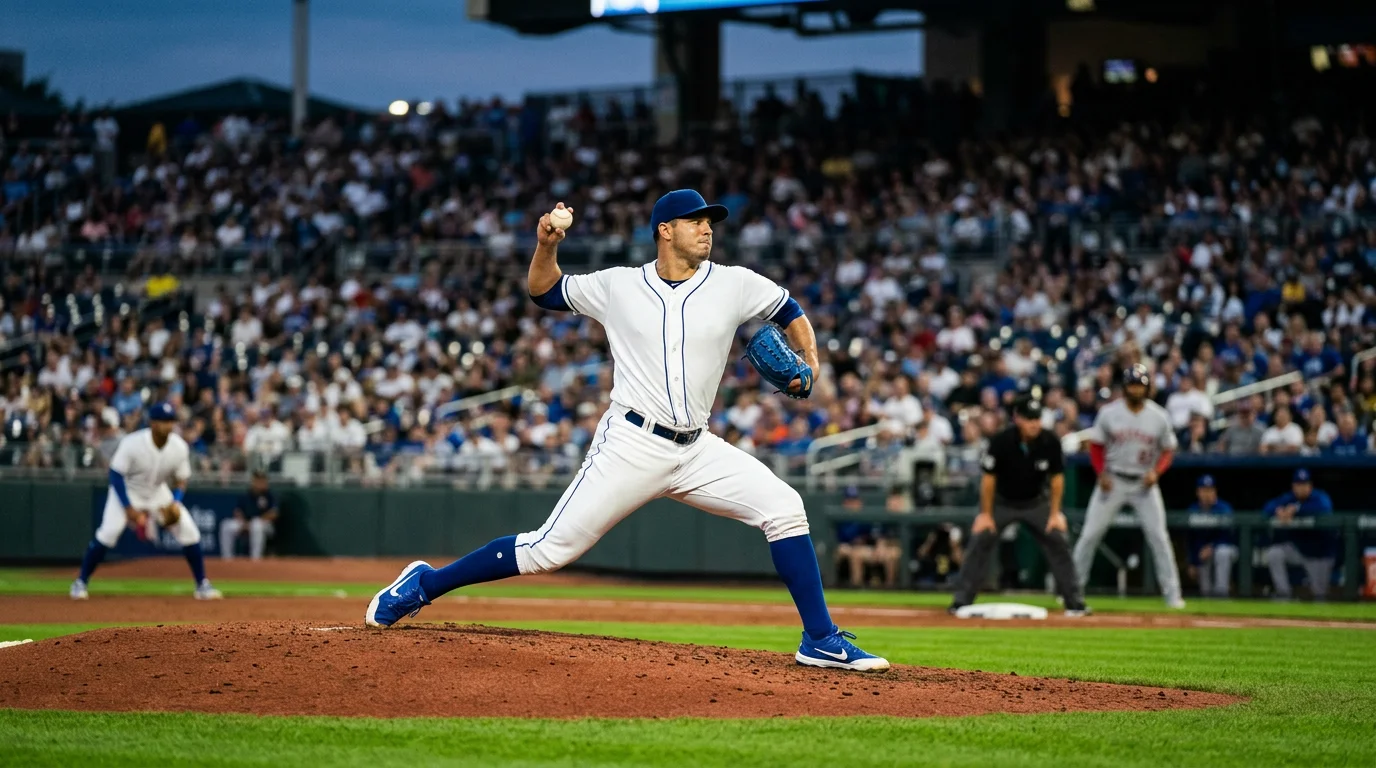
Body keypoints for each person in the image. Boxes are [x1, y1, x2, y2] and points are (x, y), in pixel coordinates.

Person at [366, 190, 888, 672]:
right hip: (632, 443)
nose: (707, 229)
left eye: (711, 222)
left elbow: (788, 308)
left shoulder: (734, 282)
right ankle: (424, 584)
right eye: (696, 221)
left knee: (785, 508)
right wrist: (547, 245)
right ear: (665, 230)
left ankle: (819, 638)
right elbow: (543, 291)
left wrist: (812, 358)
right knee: (548, 551)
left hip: (698, 447)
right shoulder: (618, 285)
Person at [949, 397, 1089, 616]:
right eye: (1029, 419)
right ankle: (961, 602)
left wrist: (1055, 513)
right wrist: (985, 514)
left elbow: (1057, 479)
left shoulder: (1050, 441)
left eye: (1037, 418)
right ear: (1018, 419)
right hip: (1002, 502)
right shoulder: (1002, 441)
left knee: (1058, 540)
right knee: (980, 540)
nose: (1034, 423)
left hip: (1036, 502)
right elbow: (988, 480)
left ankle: (1075, 603)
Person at [70, 403, 221, 600]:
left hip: (158, 492)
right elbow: (116, 475)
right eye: (164, 422)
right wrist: (127, 507)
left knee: (189, 531)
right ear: (153, 423)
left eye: (170, 421)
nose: (168, 426)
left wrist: (175, 502)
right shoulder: (132, 443)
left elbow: (181, 479)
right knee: (108, 533)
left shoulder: (179, 447)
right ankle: (80, 582)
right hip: (127, 490)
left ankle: (202, 585)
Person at [1074, 364, 1186, 608]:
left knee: (1159, 538)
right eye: (1132, 384)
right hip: (1113, 480)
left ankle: (1173, 596)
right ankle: (1072, 591)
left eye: (1140, 384)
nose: (1136, 389)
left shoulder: (1158, 416)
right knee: (1090, 534)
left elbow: (1168, 449)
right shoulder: (1109, 413)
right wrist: (1100, 472)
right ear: (1124, 387)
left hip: (1143, 483)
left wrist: (1157, 472)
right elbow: (1096, 446)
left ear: (1147, 387)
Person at [1263, 469, 1338, 601]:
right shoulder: (1289, 498)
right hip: (1298, 550)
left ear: (1310, 486)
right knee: (1274, 553)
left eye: (1304, 484)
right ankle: (1283, 593)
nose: (1301, 488)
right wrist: (1278, 510)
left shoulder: (1320, 497)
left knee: (1320, 595)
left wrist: (1296, 511)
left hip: (1320, 554)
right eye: (1298, 484)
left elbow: (1324, 509)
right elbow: (1267, 508)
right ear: (1293, 486)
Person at [832, 485, 902, 588]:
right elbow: (834, 542)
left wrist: (879, 546)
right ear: (844, 502)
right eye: (849, 501)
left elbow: (875, 537)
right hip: (849, 549)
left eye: (854, 500)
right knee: (854, 553)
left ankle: (890, 587)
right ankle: (856, 587)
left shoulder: (865, 519)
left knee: (889, 554)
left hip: (868, 549)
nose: (852, 504)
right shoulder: (839, 519)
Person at [1185, 475, 1238, 597]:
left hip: (1226, 549)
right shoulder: (1192, 510)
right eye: (1204, 490)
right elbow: (1190, 539)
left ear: (1215, 491)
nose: (1207, 494)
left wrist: (1213, 546)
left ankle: (1222, 592)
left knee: (1222, 553)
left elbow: (1229, 536)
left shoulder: (1224, 508)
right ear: (1198, 492)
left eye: (1210, 490)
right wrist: (1192, 562)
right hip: (1203, 554)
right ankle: (1208, 597)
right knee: (1206, 591)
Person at [219, 470, 279, 561]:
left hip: (265, 525)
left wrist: (254, 522)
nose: (260, 483)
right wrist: (244, 523)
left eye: (262, 480)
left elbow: (274, 513)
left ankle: (255, 559)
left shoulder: (269, 495)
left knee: (256, 524)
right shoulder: (247, 494)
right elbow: (238, 511)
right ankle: (227, 559)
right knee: (226, 525)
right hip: (245, 522)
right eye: (257, 480)